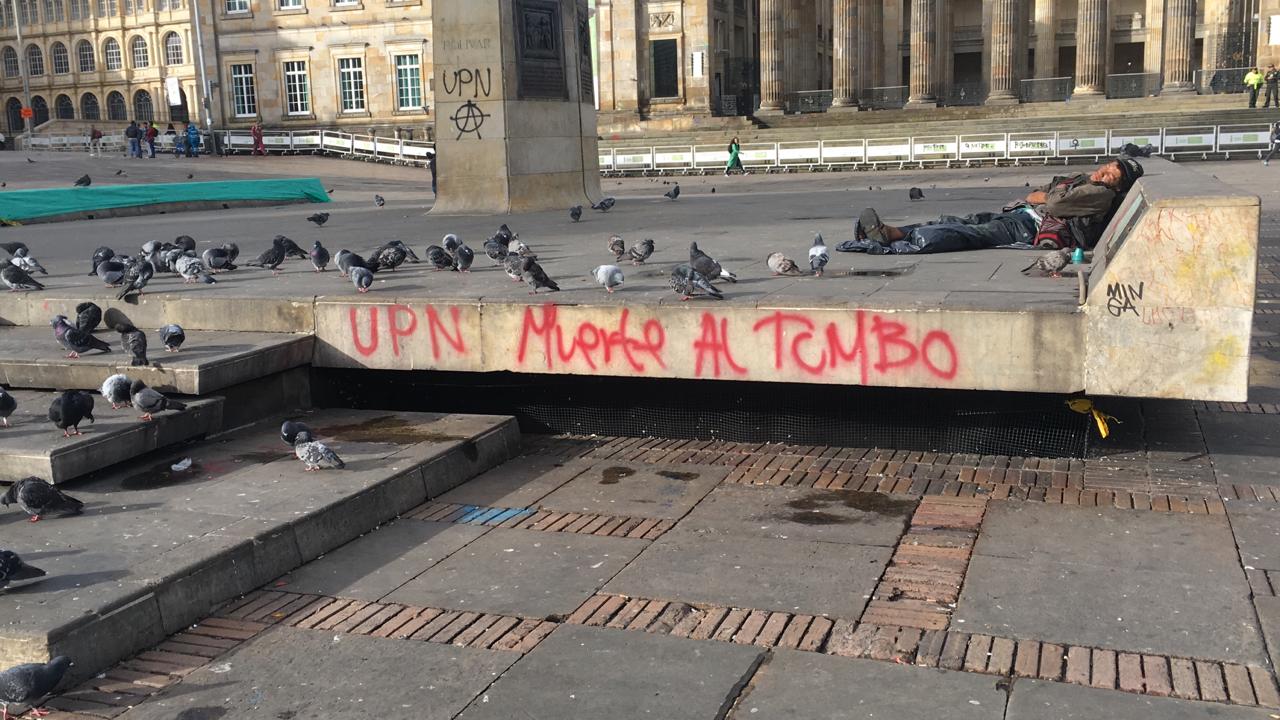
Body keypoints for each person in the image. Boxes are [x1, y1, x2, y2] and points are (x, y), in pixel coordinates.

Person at [843, 156, 1145, 255]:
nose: (1103, 172)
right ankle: (890, 232)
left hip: (1032, 226)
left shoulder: (1100, 193)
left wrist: (1039, 198)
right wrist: (1040, 197)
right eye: (1107, 166)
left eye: (1111, 175)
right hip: (1024, 215)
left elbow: (1052, 201)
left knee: (973, 233)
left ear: (1117, 185)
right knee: (959, 220)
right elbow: (1047, 191)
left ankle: (895, 241)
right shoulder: (1084, 179)